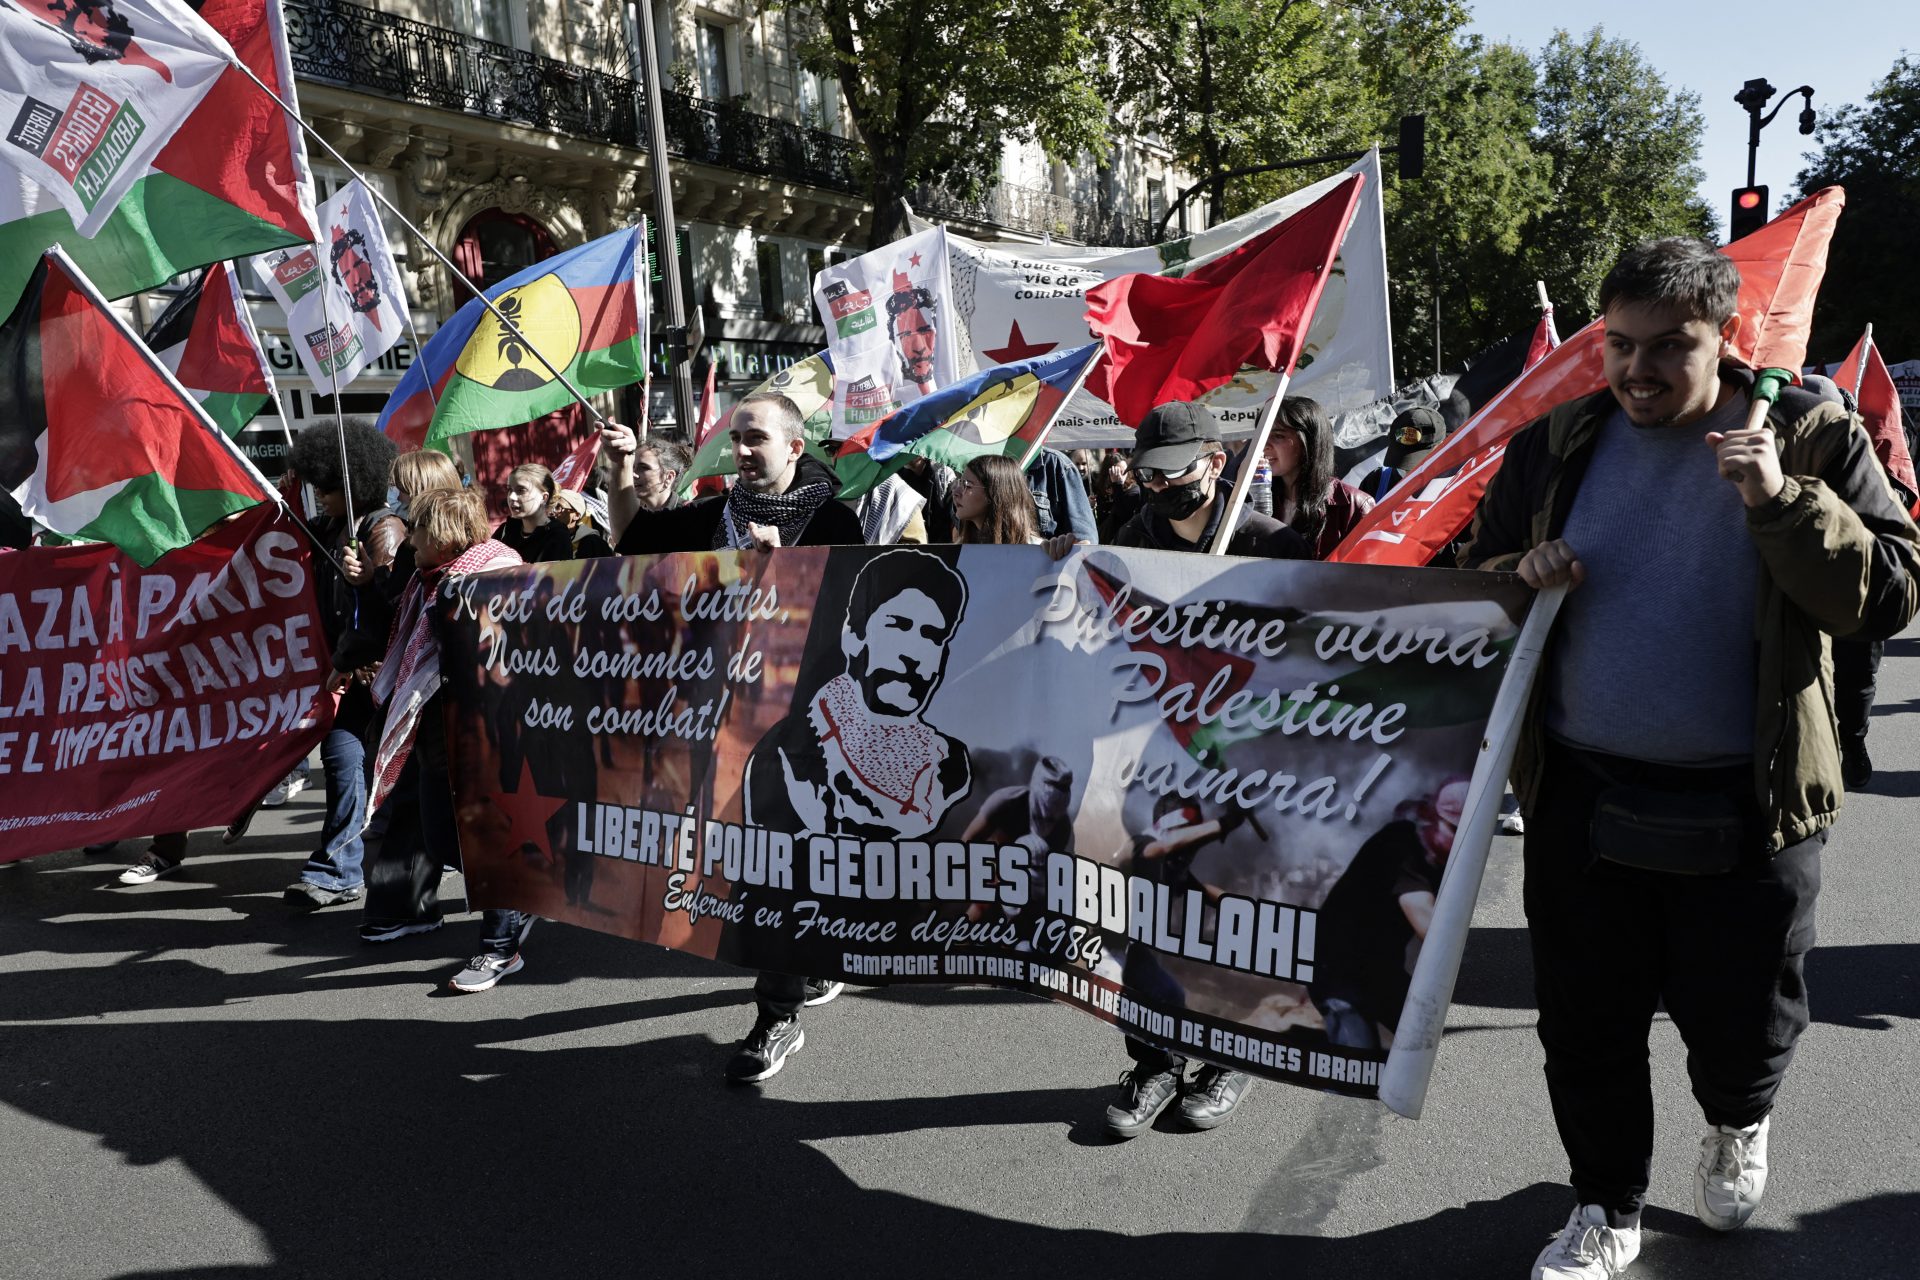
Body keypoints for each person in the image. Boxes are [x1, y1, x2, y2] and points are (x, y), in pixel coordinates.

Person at [1457, 237, 1920, 1280]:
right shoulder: (1558, 439)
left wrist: (1782, 502)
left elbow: (1890, 594)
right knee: (1586, 1022)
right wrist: (1518, 569)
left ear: (1726, 338)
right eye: (1621, 344)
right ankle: (1604, 1204)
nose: (1639, 370)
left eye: (1669, 346)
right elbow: (1476, 574)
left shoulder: (1809, 432)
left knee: (1743, 1019)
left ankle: (1737, 1121)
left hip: (1751, 797)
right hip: (1579, 792)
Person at [601, 392, 866, 1083]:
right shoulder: (709, 515)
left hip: (803, 728)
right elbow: (629, 541)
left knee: (781, 867)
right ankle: (804, 966)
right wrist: (620, 470)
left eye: (756, 439)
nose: (741, 451)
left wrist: (783, 571)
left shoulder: (835, 519)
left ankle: (778, 1016)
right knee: (756, 869)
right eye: (736, 438)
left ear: (794, 447)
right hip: (719, 719)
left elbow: (851, 616)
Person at [353, 487, 536, 992]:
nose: (410, 539)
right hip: (436, 737)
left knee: (490, 842)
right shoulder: (424, 580)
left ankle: (499, 948)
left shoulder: (497, 573)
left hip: (488, 737)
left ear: (445, 535)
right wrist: (365, 584)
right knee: (442, 841)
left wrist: (455, 611)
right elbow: (391, 629)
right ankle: (525, 896)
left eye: (418, 529)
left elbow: (509, 652)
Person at [744, 547, 972, 841]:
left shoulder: (950, 770)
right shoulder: (783, 755)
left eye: (932, 636)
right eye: (898, 625)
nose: (913, 653)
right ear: (853, 637)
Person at [283, 418, 405, 909]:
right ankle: (339, 869)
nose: (320, 495)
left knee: (364, 768)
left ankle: (345, 870)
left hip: (376, 676)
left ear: (352, 484)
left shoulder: (383, 528)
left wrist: (367, 580)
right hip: (347, 671)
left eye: (327, 487)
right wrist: (284, 494)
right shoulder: (331, 527)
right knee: (346, 765)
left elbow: (392, 609)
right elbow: (289, 533)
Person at [1308, 779, 1466, 1050]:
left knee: (1427, 1040)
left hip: (1381, 970)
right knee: (1355, 1058)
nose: (1460, 840)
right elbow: (1429, 925)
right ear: (1432, 818)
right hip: (1336, 971)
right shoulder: (1402, 843)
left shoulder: (1441, 859)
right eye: (1455, 829)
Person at [1106, 402, 1310, 559]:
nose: (1158, 484)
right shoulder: (1129, 542)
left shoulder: (1276, 546)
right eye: (1146, 472)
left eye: (1173, 469)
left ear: (1216, 465)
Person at [1266, 396, 1376, 559]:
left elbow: (1365, 569)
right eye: (1262, 435)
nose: (1264, 444)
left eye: (1278, 436)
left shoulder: (1355, 506)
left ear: (1308, 442)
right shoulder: (1251, 500)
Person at [951, 454, 1041, 545]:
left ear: (994, 494)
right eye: (960, 483)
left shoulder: (1034, 548)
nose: (956, 493)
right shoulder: (963, 544)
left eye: (967, 486)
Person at [494, 463, 575, 563]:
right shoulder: (505, 531)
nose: (511, 497)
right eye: (510, 489)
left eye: (521, 490)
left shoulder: (557, 536)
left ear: (544, 497)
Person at [1368, 405, 1447, 500]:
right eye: (1400, 459)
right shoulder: (1376, 481)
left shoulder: (1453, 482)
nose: (1406, 471)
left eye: (1416, 462)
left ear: (1440, 447)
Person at [1024, 446, 1099, 545]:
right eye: (1077, 464)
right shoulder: (1001, 465)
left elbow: (1084, 541)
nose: (1081, 467)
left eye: (1084, 464)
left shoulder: (1057, 464)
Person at [1092, 449, 1143, 544]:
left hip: (1124, 540)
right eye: (1117, 472)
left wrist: (1117, 485)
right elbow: (1101, 519)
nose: (1121, 475)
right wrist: (1090, 506)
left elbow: (1122, 516)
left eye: (1124, 471)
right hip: (1106, 539)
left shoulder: (1134, 490)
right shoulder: (1103, 489)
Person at [632, 439, 690, 513]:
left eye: (644, 468)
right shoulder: (631, 515)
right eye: (632, 467)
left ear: (669, 477)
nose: (633, 474)